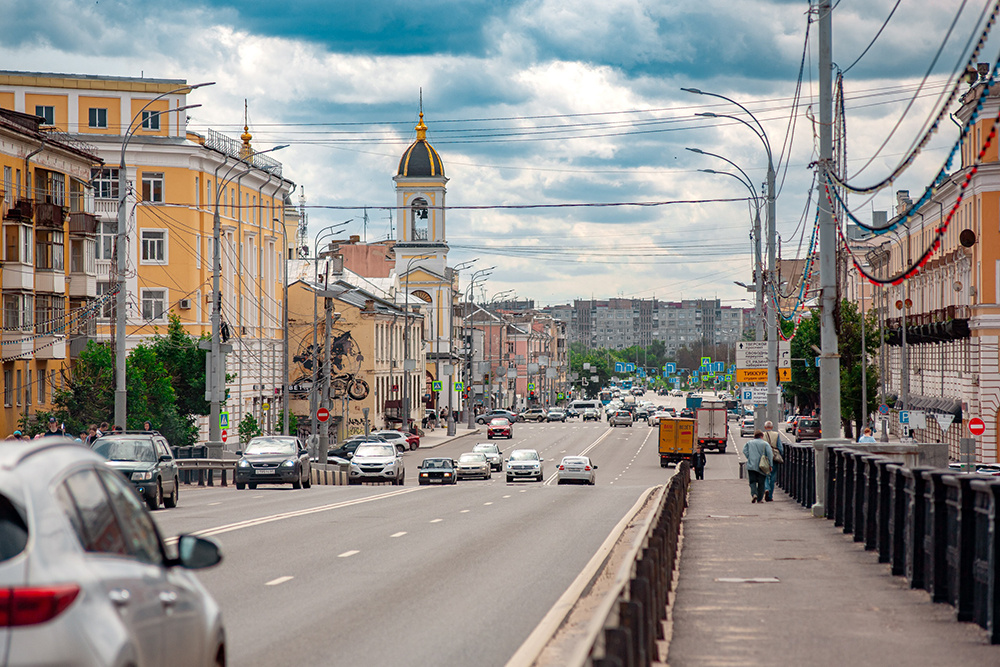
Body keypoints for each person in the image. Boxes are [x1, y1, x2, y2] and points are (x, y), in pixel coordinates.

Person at [743, 430, 773, 504]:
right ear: (761, 436)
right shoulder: (765, 444)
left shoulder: (749, 443)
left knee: (752, 482)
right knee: (761, 483)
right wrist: (770, 464)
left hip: (751, 465)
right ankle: (759, 499)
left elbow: (744, 450)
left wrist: (749, 457)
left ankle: (754, 494)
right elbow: (770, 454)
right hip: (762, 466)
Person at [761, 420, 785, 502]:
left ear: (765, 427)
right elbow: (780, 447)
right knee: (773, 476)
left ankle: (766, 488)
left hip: (765, 457)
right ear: (772, 427)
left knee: (765, 475)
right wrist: (781, 455)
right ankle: (770, 496)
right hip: (774, 456)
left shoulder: (762, 435)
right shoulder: (776, 435)